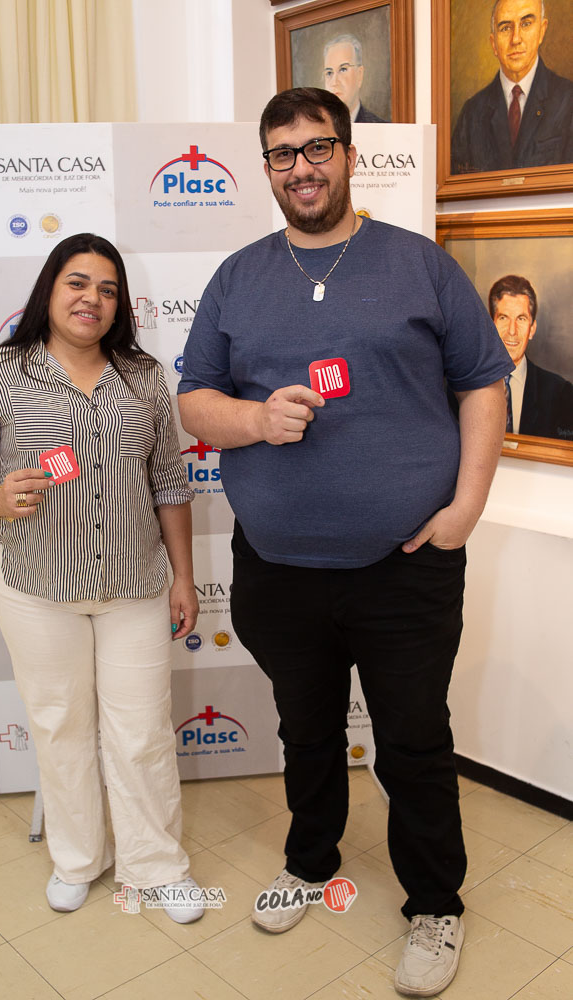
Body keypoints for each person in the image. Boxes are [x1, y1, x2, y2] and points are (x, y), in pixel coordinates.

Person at [177, 87, 512, 997]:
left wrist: (466, 506)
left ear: (349, 155)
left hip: (405, 565)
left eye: (317, 147)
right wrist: (253, 420)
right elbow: (194, 401)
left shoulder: (419, 265)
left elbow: (483, 383)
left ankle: (433, 904)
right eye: (282, 153)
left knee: (412, 739)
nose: (301, 167)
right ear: (266, 167)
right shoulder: (238, 276)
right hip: (277, 568)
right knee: (307, 730)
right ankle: (310, 862)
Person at [0, 233, 204, 923]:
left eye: (108, 289)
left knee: (141, 731)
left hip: (134, 586)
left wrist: (183, 577)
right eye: (78, 283)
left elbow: (170, 483)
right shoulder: (0, 371)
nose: (93, 299)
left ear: (120, 305)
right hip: (36, 588)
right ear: (50, 291)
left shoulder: (142, 376)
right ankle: (78, 859)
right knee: (60, 727)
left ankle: (155, 865)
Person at [451, 0, 573, 174]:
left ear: (542, 30)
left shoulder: (568, 101)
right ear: (493, 43)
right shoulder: (471, 115)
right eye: (505, 28)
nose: (516, 39)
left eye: (526, 24)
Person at [489, 274, 573, 438]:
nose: (512, 331)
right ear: (491, 325)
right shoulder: (463, 387)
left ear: (532, 328)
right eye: (504, 318)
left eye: (521, 319)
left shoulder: (560, 394)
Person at [323, 33, 386, 123]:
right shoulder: (315, 127)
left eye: (343, 69)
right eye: (329, 73)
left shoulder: (381, 126)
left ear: (359, 74)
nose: (334, 82)